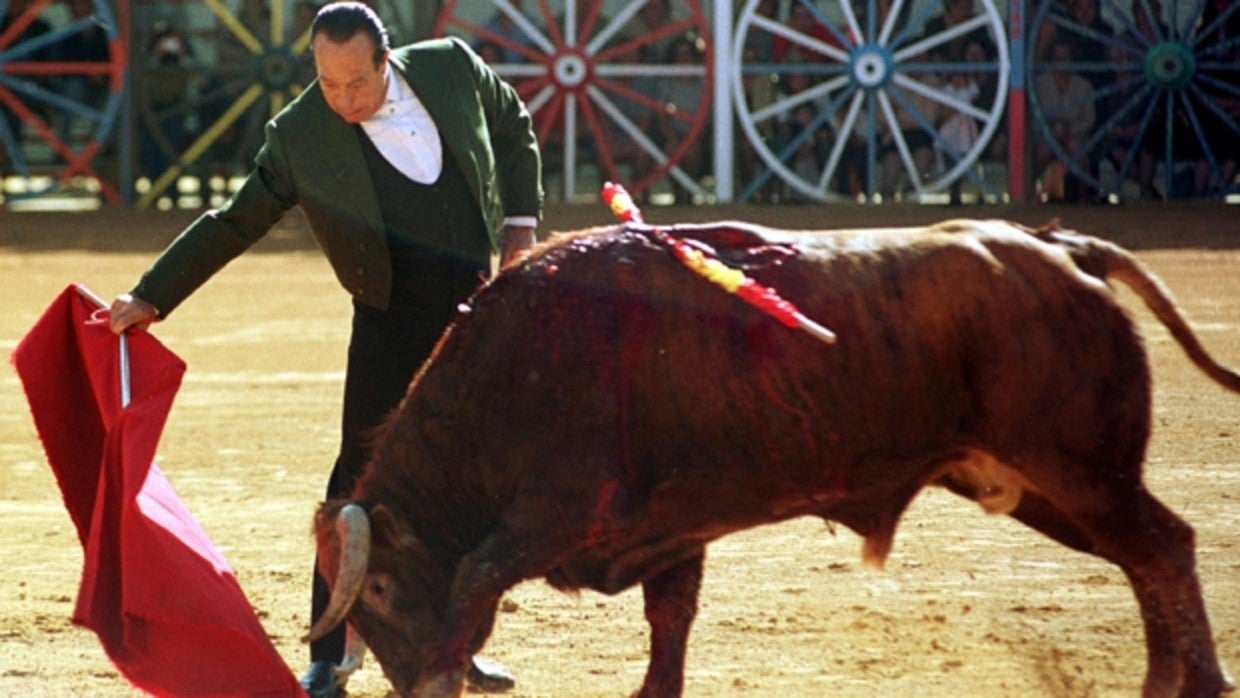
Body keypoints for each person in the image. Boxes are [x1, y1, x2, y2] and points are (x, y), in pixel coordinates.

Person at [106, 3, 542, 696]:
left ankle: (451, 644)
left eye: (354, 84)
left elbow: (514, 126)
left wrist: (520, 225)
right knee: (356, 484)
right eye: (326, 82)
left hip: (473, 311)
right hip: (388, 317)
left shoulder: (453, 69)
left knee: (463, 482)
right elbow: (236, 219)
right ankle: (328, 651)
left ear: (386, 60)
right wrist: (151, 295)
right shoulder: (300, 133)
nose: (340, 99)